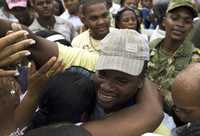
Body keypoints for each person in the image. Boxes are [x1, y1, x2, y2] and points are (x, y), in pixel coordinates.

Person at [147, 0, 197, 110]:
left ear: (191, 27)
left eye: (187, 21)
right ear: (164, 21)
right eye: (174, 18)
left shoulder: (195, 60)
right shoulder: (149, 48)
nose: (180, 24)